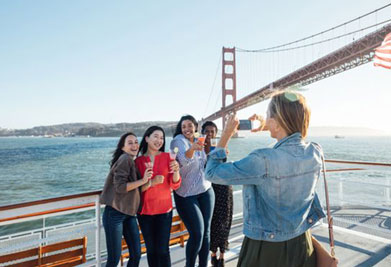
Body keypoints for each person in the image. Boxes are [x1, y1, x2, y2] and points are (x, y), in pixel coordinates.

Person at [205, 91, 326, 267]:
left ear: (277, 122)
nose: (266, 119)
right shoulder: (315, 151)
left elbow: (211, 173)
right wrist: (270, 124)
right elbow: (291, 141)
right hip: (302, 243)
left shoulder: (262, 160)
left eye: (269, 115)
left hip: (266, 249)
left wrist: (225, 136)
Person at [100, 132, 153, 267]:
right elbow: (120, 187)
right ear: (122, 147)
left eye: (136, 142)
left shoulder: (132, 161)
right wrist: (143, 180)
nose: (134, 145)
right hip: (114, 214)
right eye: (130, 143)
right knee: (114, 258)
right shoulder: (125, 159)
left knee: (136, 254)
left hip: (129, 214)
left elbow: (135, 188)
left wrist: (148, 180)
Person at [170, 115, 215, 267]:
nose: (187, 129)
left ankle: (203, 264)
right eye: (184, 126)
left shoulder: (199, 139)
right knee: (197, 233)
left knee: (207, 232)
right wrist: (192, 149)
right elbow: (183, 160)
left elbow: (204, 162)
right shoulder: (178, 141)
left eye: (190, 125)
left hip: (206, 189)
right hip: (187, 194)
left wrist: (217, 153)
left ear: (195, 126)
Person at [135, 126, 181, 267]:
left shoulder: (168, 157)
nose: (159, 140)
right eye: (156, 136)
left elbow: (175, 184)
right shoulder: (138, 161)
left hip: (165, 211)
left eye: (161, 138)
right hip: (145, 212)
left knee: (163, 250)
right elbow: (136, 190)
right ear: (147, 138)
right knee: (151, 250)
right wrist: (151, 182)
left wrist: (176, 170)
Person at [202, 121, 233, 267]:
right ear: (202, 133)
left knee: (224, 220)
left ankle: (222, 255)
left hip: (224, 187)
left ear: (216, 133)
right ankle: (213, 254)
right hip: (208, 188)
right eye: (207, 131)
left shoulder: (221, 147)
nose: (209, 134)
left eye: (212, 131)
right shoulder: (199, 150)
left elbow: (225, 165)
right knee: (212, 221)